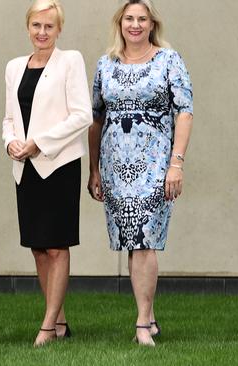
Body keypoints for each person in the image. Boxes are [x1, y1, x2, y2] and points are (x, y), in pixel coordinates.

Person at [88, 0, 193, 346]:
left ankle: (141, 325)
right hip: (116, 165)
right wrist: (94, 170)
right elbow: (96, 118)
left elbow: (184, 112)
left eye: (142, 19)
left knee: (146, 236)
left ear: (152, 24)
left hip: (155, 164)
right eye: (129, 19)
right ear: (120, 24)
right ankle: (149, 317)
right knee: (132, 240)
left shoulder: (168, 60)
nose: (135, 25)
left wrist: (176, 164)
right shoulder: (105, 65)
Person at [2, 0, 92, 347]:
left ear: (59, 29)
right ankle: (60, 321)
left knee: (57, 245)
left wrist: (39, 142)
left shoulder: (70, 61)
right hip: (25, 168)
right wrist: (11, 141)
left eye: (49, 27)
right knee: (38, 248)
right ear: (28, 27)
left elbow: (82, 114)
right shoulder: (13, 67)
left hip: (58, 165)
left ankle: (47, 326)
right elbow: (9, 117)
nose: (42, 32)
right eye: (37, 26)